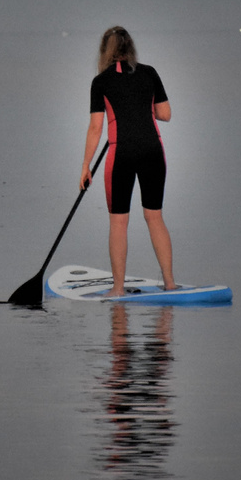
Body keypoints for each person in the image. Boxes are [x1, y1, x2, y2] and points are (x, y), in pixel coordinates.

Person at [79, 26, 177, 296]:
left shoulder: (100, 82)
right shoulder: (149, 72)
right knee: (154, 217)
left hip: (121, 154)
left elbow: (96, 129)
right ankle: (169, 283)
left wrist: (86, 166)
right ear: (131, 48)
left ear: (105, 51)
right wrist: (140, 108)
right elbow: (166, 114)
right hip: (153, 151)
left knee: (119, 222)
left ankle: (118, 289)